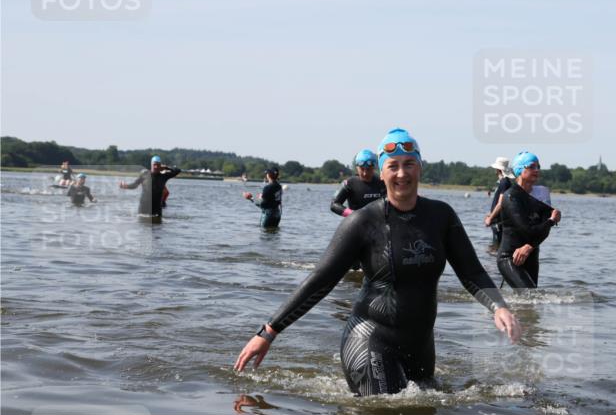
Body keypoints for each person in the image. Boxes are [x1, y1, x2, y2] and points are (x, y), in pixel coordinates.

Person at [235, 128, 521, 396]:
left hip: (421, 345)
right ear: (382, 173)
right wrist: (269, 331)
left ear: (420, 167)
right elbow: (320, 281)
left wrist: (498, 307)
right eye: (393, 166)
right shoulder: (362, 222)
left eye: (409, 164)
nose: (401, 173)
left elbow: (471, 271)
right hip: (371, 339)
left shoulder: (441, 216)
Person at [496, 151, 561, 289]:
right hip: (510, 257)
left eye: (538, 166)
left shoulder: (540, 194)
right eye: (532, 166)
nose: (536, 170)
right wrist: (551, 220)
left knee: (531, 300)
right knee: (529, 297)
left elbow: (545, 227)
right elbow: (528, 230)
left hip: (530, 255)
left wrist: (530, 246)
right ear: (520, 169)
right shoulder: (511, 196)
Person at [330, 149, 385, 216]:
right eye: (362, 169)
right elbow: (334, 205)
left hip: (379, 223)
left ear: (374, 167)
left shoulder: (383, 182)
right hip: (357, 224)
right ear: (357, 168)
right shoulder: (349, 183)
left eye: (368, 169)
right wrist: (354, 215)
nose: (365, 173)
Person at [484, 156, 514, 246]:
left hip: (500, 222)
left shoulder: (504, 182)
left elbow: (501, 203)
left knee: (496, 247)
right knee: (494, 248)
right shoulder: (503, 182)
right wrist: (491, 214)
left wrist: (490, 218)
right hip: (498, 220)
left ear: (498, 169)